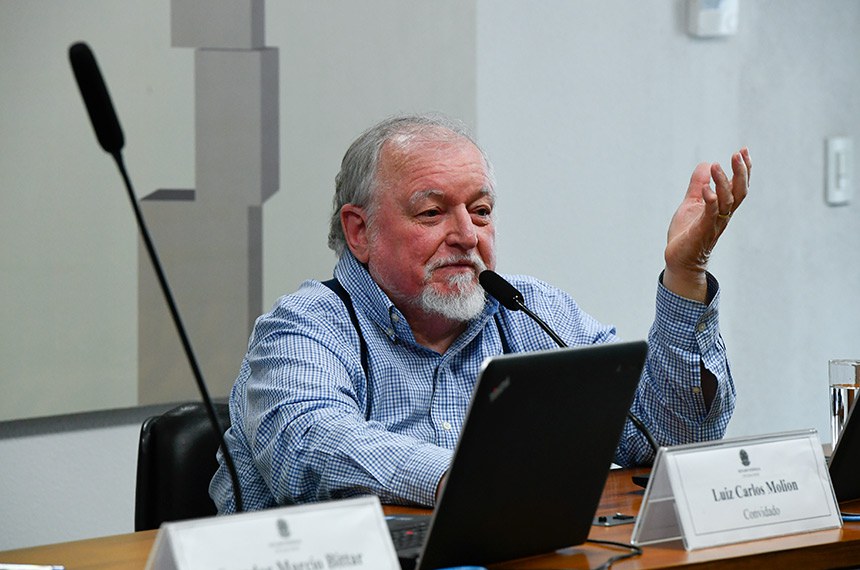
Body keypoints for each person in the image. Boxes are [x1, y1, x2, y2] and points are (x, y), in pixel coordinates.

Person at [210, 113, 751, 513]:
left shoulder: (529, 310)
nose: (467, 236)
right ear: (360, 231)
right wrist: (470, 481)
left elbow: (665, 438)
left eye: (481, 211)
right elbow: (310, 443)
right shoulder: (305, 325)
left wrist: (685, 276)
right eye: (431, 212)